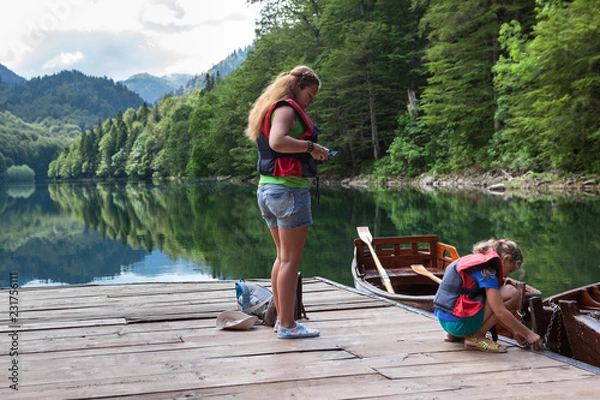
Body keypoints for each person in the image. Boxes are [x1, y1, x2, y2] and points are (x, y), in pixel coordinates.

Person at [246, 65, 329, 339]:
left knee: (283, 258)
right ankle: (288, 325)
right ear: (297, 87)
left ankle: (281, 319)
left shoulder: (274, 108)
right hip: (288, 192)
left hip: (269, 190)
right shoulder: (286, 109)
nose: (311, 101)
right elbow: (278, 141)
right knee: (290, 261)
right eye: (311, 95)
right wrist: (311, 147)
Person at [433, 238, 541, 352]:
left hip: (445, 322)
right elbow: (499, 311)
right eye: (510, 270)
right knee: (511, 292)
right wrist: (528, 334)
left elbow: (492, 309)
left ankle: (454, 335)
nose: (506, 275)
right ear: (506, 258)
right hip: (459, 324)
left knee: (494, 298)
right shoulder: (487, 271)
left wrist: (514, 330)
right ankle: (477, 336)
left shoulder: (471, 260)